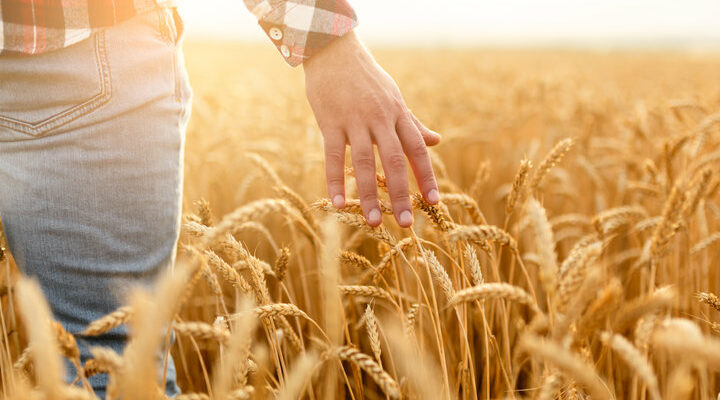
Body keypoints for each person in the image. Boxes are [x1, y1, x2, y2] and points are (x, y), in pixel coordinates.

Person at [0, 0, 440, 396]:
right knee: (111, 372)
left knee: (112, 371)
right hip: (75, 64)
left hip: (75, 64)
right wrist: (324, 38)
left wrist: (327, 43)